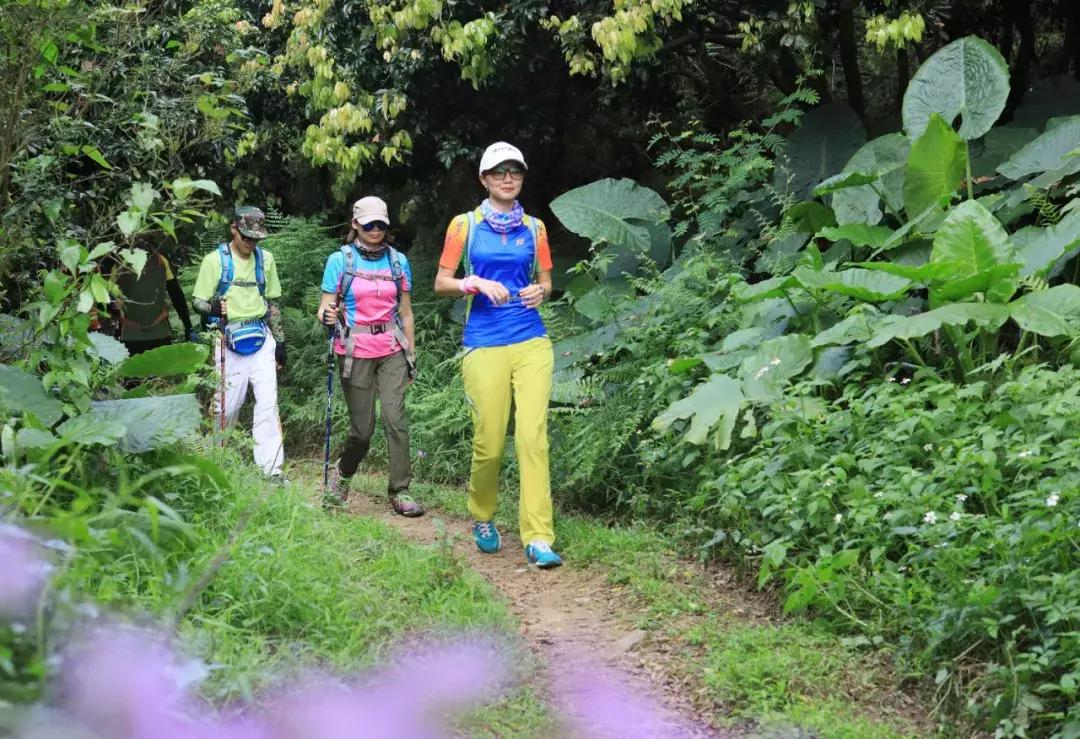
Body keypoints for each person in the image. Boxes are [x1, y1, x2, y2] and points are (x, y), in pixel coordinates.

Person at [433, 142, 561, 569]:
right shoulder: (463, 226)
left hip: (530, 338)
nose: (508, 178)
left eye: (516, 171)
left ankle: (539, 537)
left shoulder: (536, 228)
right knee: (489, 443)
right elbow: (441, 282)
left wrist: (540, 292)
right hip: (483, 340)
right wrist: (474, 284)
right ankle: (483, 515)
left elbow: (547, 282)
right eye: (499, 172)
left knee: (532, 436)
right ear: (484, 179)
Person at [317, 196, 422, 516]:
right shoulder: (341, 260)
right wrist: (327, 317)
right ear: (355, 225)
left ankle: (400, 490)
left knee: (396, 420)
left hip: (392, 349)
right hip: (354, 350)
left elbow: (406, 312)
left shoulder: (398, 261)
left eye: (381, 224)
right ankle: (343, 474)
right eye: (369, 224)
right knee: (363, 430)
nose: (375, 230)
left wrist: (411, 355)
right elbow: (324, 307)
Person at [191, 206, 287, 482]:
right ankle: (214, 463)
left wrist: (280, 343)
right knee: (226, 406)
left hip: (260, 337)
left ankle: (272, 470)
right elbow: (197, 301)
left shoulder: (265, 260)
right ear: (234, 228)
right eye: (246, 237)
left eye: (255, 238)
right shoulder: (214, 261)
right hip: (226, 338)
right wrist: (211, 307)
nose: (250, 243)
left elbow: (272, 303)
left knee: (268, 403)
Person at [110, 236, 197, 356]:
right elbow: (176, 295)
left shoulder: (120, 265)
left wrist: (115, 323)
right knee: (161, 372)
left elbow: (109, 300)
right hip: (159, 332)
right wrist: (188, 326)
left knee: (136, 372)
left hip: (132, 335)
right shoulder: (161, 261)